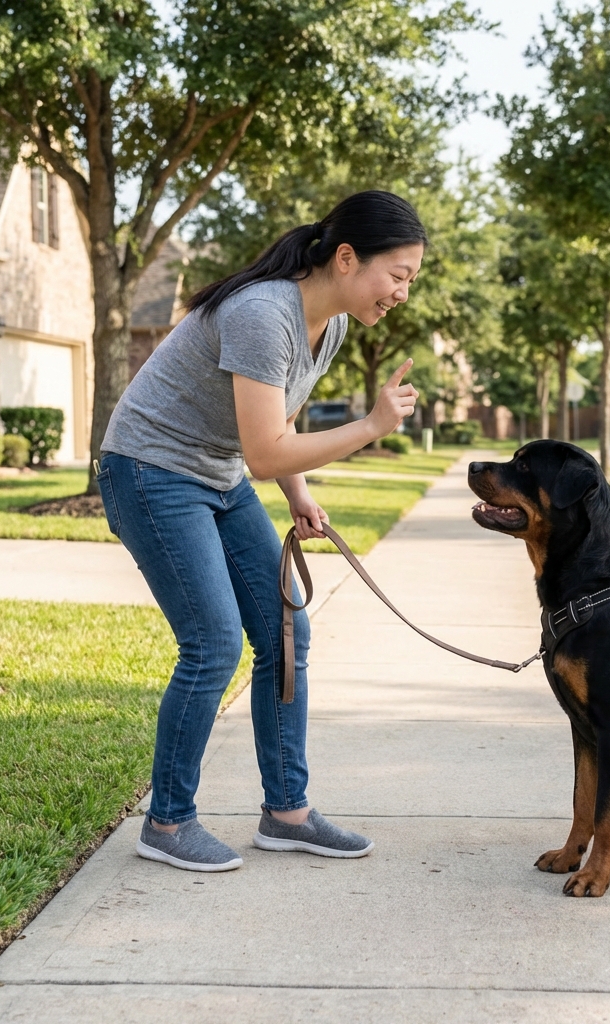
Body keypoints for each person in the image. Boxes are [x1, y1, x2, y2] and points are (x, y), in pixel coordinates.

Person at [98, 190, 424, 872]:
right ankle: (167, 821)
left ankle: (287, 812)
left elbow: (275, 432)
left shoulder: (325, 327)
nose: (401, 293)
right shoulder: (261, 313)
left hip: (215, 475)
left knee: (285, 631)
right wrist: (370, 427)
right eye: (398, 275)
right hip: (150, 470)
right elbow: (266, 451)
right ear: (345, 258)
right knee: (212, 644)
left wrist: (299, 499)